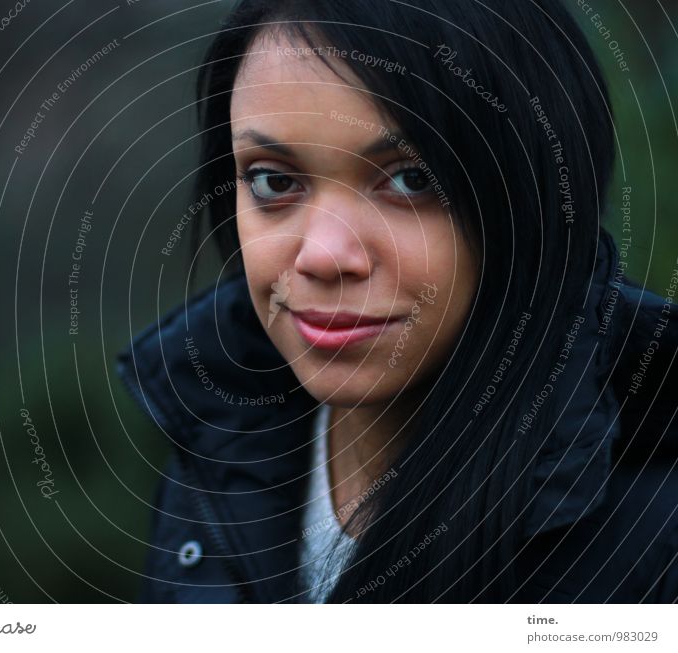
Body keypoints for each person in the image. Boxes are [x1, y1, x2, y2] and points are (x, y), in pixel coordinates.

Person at [117, 0, 678, 603]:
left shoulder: (653, 530)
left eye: (412, 179)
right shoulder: (218, 439)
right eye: (274, 180)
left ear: (536, 196)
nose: (324, 256)